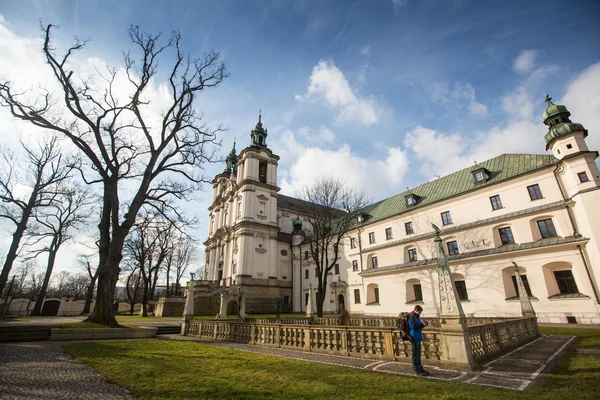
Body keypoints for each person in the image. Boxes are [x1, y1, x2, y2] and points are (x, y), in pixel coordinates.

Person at [408, 305, 429, 376]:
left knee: (418, 354)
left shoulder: (416, 317)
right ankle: (416, 369)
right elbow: (414, 327)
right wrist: (422, 325)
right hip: (414, 337)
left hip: (417, 336)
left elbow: (417, 326)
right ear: (417, 310)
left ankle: (420, 368)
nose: (420, 313)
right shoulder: (412, 316)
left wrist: (423, 325)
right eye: (420, 312)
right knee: (415, 354)